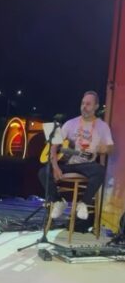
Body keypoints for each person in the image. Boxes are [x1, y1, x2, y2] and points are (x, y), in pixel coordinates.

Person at [39, 91, 114, 219]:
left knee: (100, 171)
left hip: (87, 165)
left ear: (96, 106)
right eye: (83, 103)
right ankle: (58, 201)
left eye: (88, 104)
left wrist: (105, 148)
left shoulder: (102, 126)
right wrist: (55, 166)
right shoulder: (70, 123)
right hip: (68, 164)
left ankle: (83, 203)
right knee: (43, 172)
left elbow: (110, 148)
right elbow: (54, 145)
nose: (84, 106)